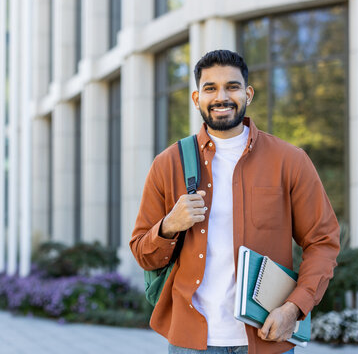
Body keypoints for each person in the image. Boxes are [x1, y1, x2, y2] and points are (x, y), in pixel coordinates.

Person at [130, 49, 340, 354]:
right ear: (196, 98)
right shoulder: (168, 164)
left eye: (232, 86)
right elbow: (143, 254)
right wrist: (168, 226)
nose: (221, 96)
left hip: (267, 336)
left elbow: (323, 241)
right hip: (191, 342)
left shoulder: (290, 160)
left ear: (248, 94)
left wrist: (294, 308)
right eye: (210, 88)